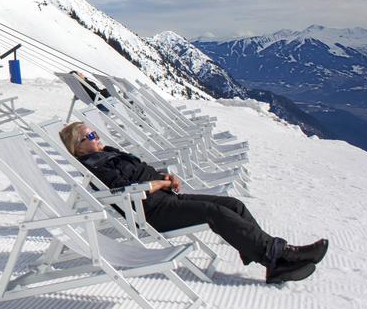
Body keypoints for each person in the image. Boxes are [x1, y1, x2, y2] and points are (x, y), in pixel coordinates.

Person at [60, 120, 328, 284]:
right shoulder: (94, 167)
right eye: (89, 136)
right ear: (78, 148)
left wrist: (165, 177)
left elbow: (141, 171)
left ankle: (271, 258)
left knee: (233, 205)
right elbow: (125, 189)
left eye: (94, 132)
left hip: (164, 197)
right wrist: (162, 184)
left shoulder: (107, 153)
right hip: (151, 211)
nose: (97, 137)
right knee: (215, 214)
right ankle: (280, 256)